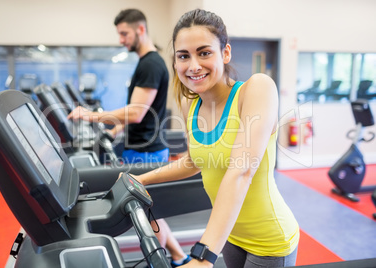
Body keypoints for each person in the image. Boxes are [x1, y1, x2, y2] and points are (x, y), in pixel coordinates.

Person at [132, 8, 300, 268]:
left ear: (226, 52)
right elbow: (194, 162)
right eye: (183, 56)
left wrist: (203, 255)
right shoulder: (192, 106)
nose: (193, 65)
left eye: (204, 52)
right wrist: (140, 179)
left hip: (270, 241)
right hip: (230, 235)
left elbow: (241, 170)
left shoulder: (256, 90)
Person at [67, 8, 191, 267]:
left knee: (148, 215)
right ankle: (179, 256)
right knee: (151, 213)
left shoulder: (151, 64)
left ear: (140, 29)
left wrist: (90, 116)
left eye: (124, 33)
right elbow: (137, 113)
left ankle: (169, 259)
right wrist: (114, 131)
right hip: (142, 146)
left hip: (147, 151)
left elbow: (136, 112)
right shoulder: (146, 63)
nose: (121, 40)